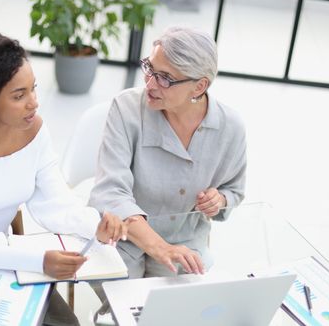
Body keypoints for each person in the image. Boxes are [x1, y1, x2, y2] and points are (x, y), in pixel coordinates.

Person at [0, 30, 128, 325]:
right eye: (19, 95)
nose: (34, 103)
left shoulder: (35, 131)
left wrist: (96, 227)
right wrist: (38, 261)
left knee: (66, 323)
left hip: (4, 256)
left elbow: (54, 203)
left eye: (33, 89)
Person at [89, 27, 246, 280]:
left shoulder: (230, 127)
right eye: (149, 68)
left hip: (186, 246)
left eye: (165, 78)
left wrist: (220, 200)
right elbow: (110, 192)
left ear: (199, 87)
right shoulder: (126, 108)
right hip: (123, 241)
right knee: (124, 309)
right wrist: (160, 247)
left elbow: (234, 191)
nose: (150, 84)